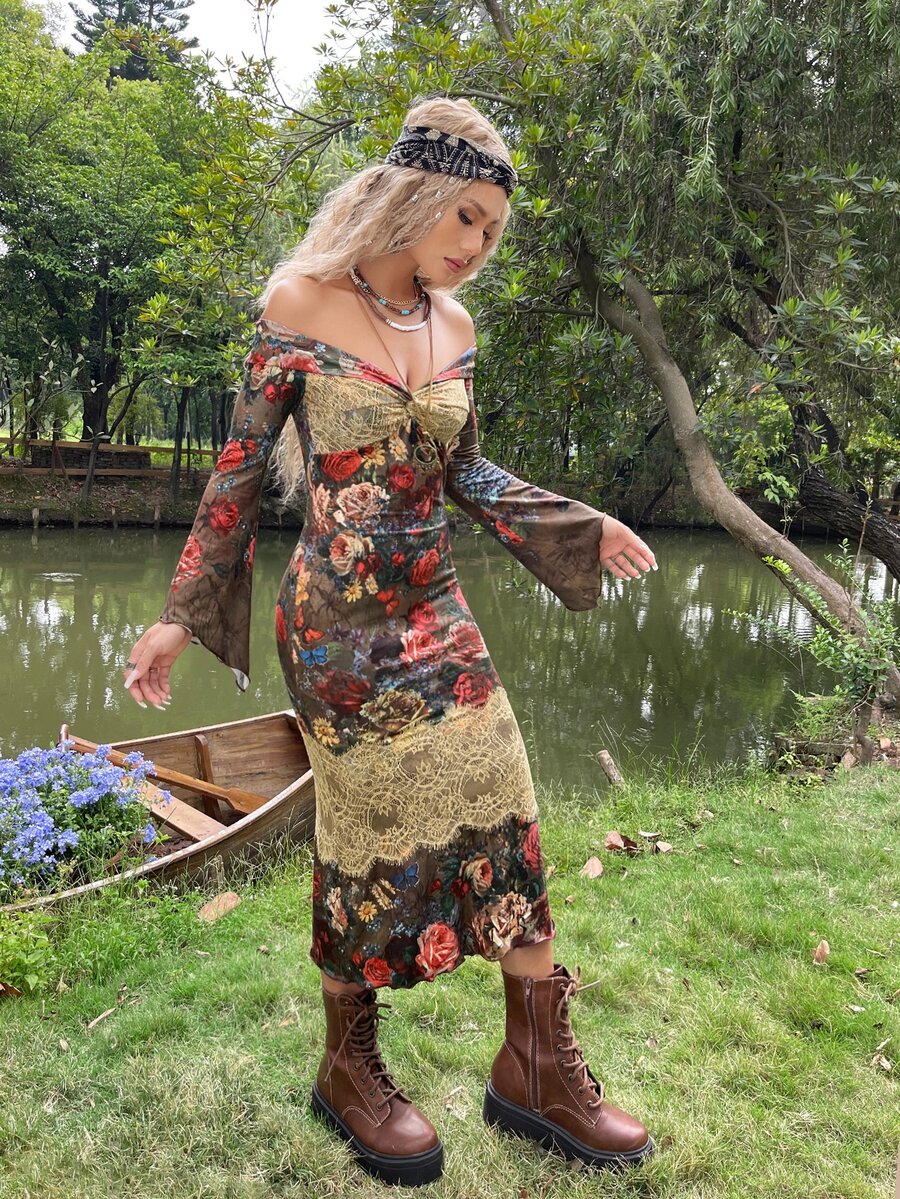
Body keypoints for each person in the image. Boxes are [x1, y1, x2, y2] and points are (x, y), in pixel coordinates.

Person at [123, 96, 659, 1187]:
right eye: (465, 217)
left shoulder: (454, 330)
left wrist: (580, 524)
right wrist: (180, 614)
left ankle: (536, 1070)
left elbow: (466, 471)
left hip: (436, 608)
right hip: (335, 630)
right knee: (362, 839)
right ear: (414, 194)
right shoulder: (300, 301)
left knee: (508, 804)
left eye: (493, 231)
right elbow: (237, 475)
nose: (476, 245)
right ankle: (348, 1067)